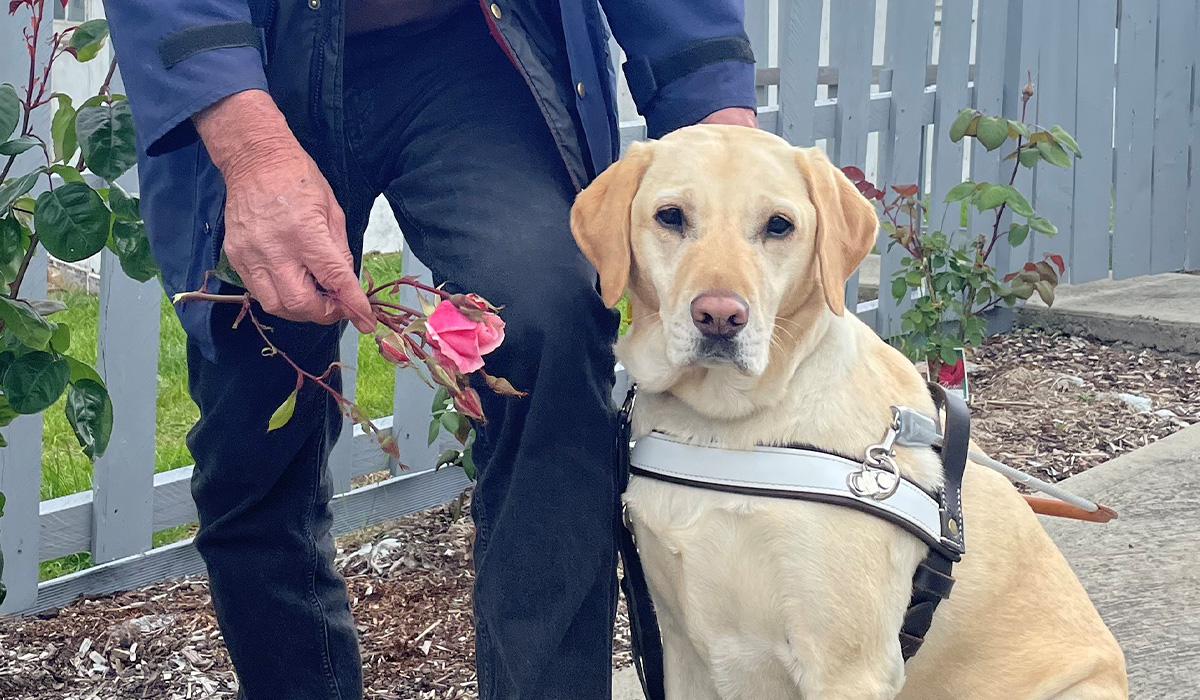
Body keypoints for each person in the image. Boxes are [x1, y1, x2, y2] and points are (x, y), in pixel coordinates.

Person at [105, 1, 756, 698]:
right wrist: (248, 145)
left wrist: (712, 100)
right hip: (259, 52)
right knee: (254, 426)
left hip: (474, 48)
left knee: (551, 332)